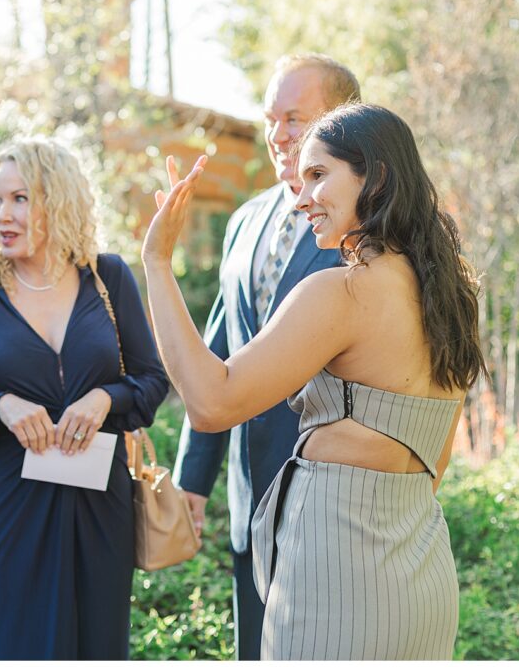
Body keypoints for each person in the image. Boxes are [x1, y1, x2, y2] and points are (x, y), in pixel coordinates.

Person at [142, 103, 487, 659]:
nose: (301, 199)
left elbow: (211, 402)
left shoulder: (340, 293)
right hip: (420, 568)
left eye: (319, 175)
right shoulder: (448, 298)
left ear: (373, 174)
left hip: (336, 575)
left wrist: (157, 262)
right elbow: (435, 463)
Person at [0, 137, 169, 660]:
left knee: (99, 648)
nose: (2, 215)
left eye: (20, 199)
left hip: (101, 506)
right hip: (14, 512)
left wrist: (106, 398)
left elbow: (153, 382)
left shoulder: (109, 278)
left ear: (57, 202)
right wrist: (0, 406)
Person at [171, 52, 361, 659]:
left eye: (295, 119)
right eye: (270, 118)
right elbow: (218, 348)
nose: (277, 134)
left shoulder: (371, 230)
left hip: (333, 506)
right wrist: (191, 483)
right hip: (248, 499)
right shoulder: (244, 222)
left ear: (343, 122)